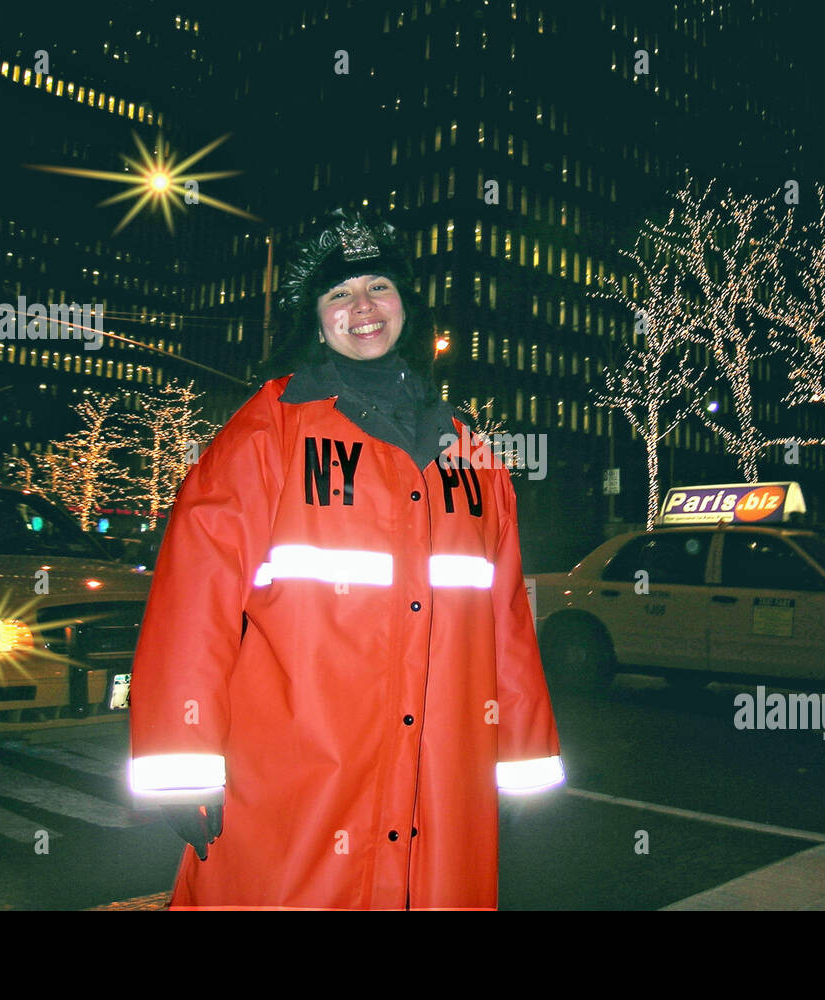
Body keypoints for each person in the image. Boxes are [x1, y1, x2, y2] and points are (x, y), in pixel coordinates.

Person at [127, 207, 563, 909]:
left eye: (378, 287)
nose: (362, 308)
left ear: (406, 308)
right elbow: (194, 604)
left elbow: (506, 619)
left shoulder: (472, 453)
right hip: (300, 787)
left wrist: (518, 758)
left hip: (442, 788)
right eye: (339, 294)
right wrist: (181, 762)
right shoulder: (266, 434)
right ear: (316, 317)